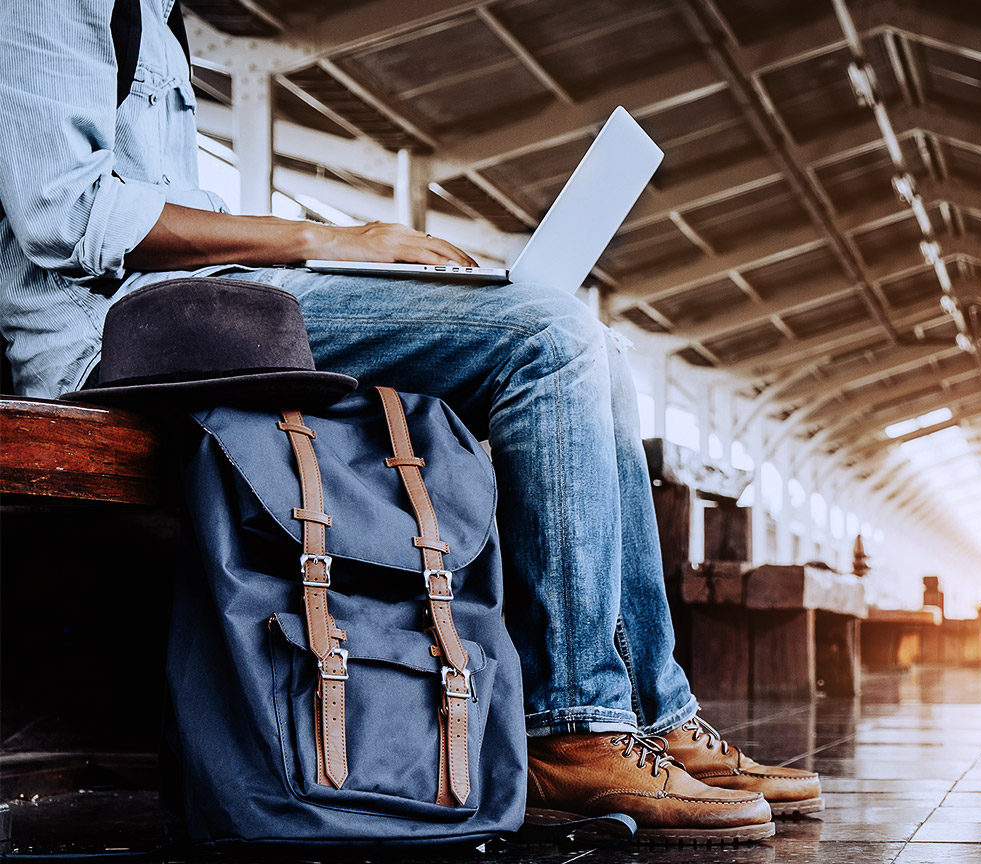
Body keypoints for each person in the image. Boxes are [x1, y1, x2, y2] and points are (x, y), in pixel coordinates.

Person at [0, 0, 820, 845]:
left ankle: (651, 708)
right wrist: (335, 238)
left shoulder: (154, 12)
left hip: (200, 303)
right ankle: (572, 731)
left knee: (593, 345)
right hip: (112, 333)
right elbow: (65, 213)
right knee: (549, 339)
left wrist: (333, 256)